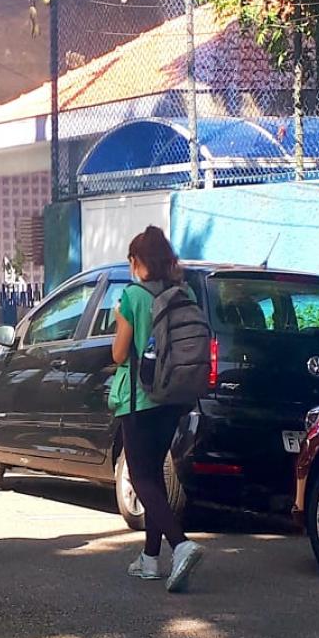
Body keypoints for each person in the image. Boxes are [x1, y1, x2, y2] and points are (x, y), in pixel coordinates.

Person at [110, 227, 205, 592]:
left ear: (138, 262)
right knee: (154, 478)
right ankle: (150, 559)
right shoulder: (186, 293)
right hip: (174, 396)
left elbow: (119, 353)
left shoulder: (131, 296)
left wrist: (122, 319)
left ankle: (180, 545)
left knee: (142, 478)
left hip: (138, 398)